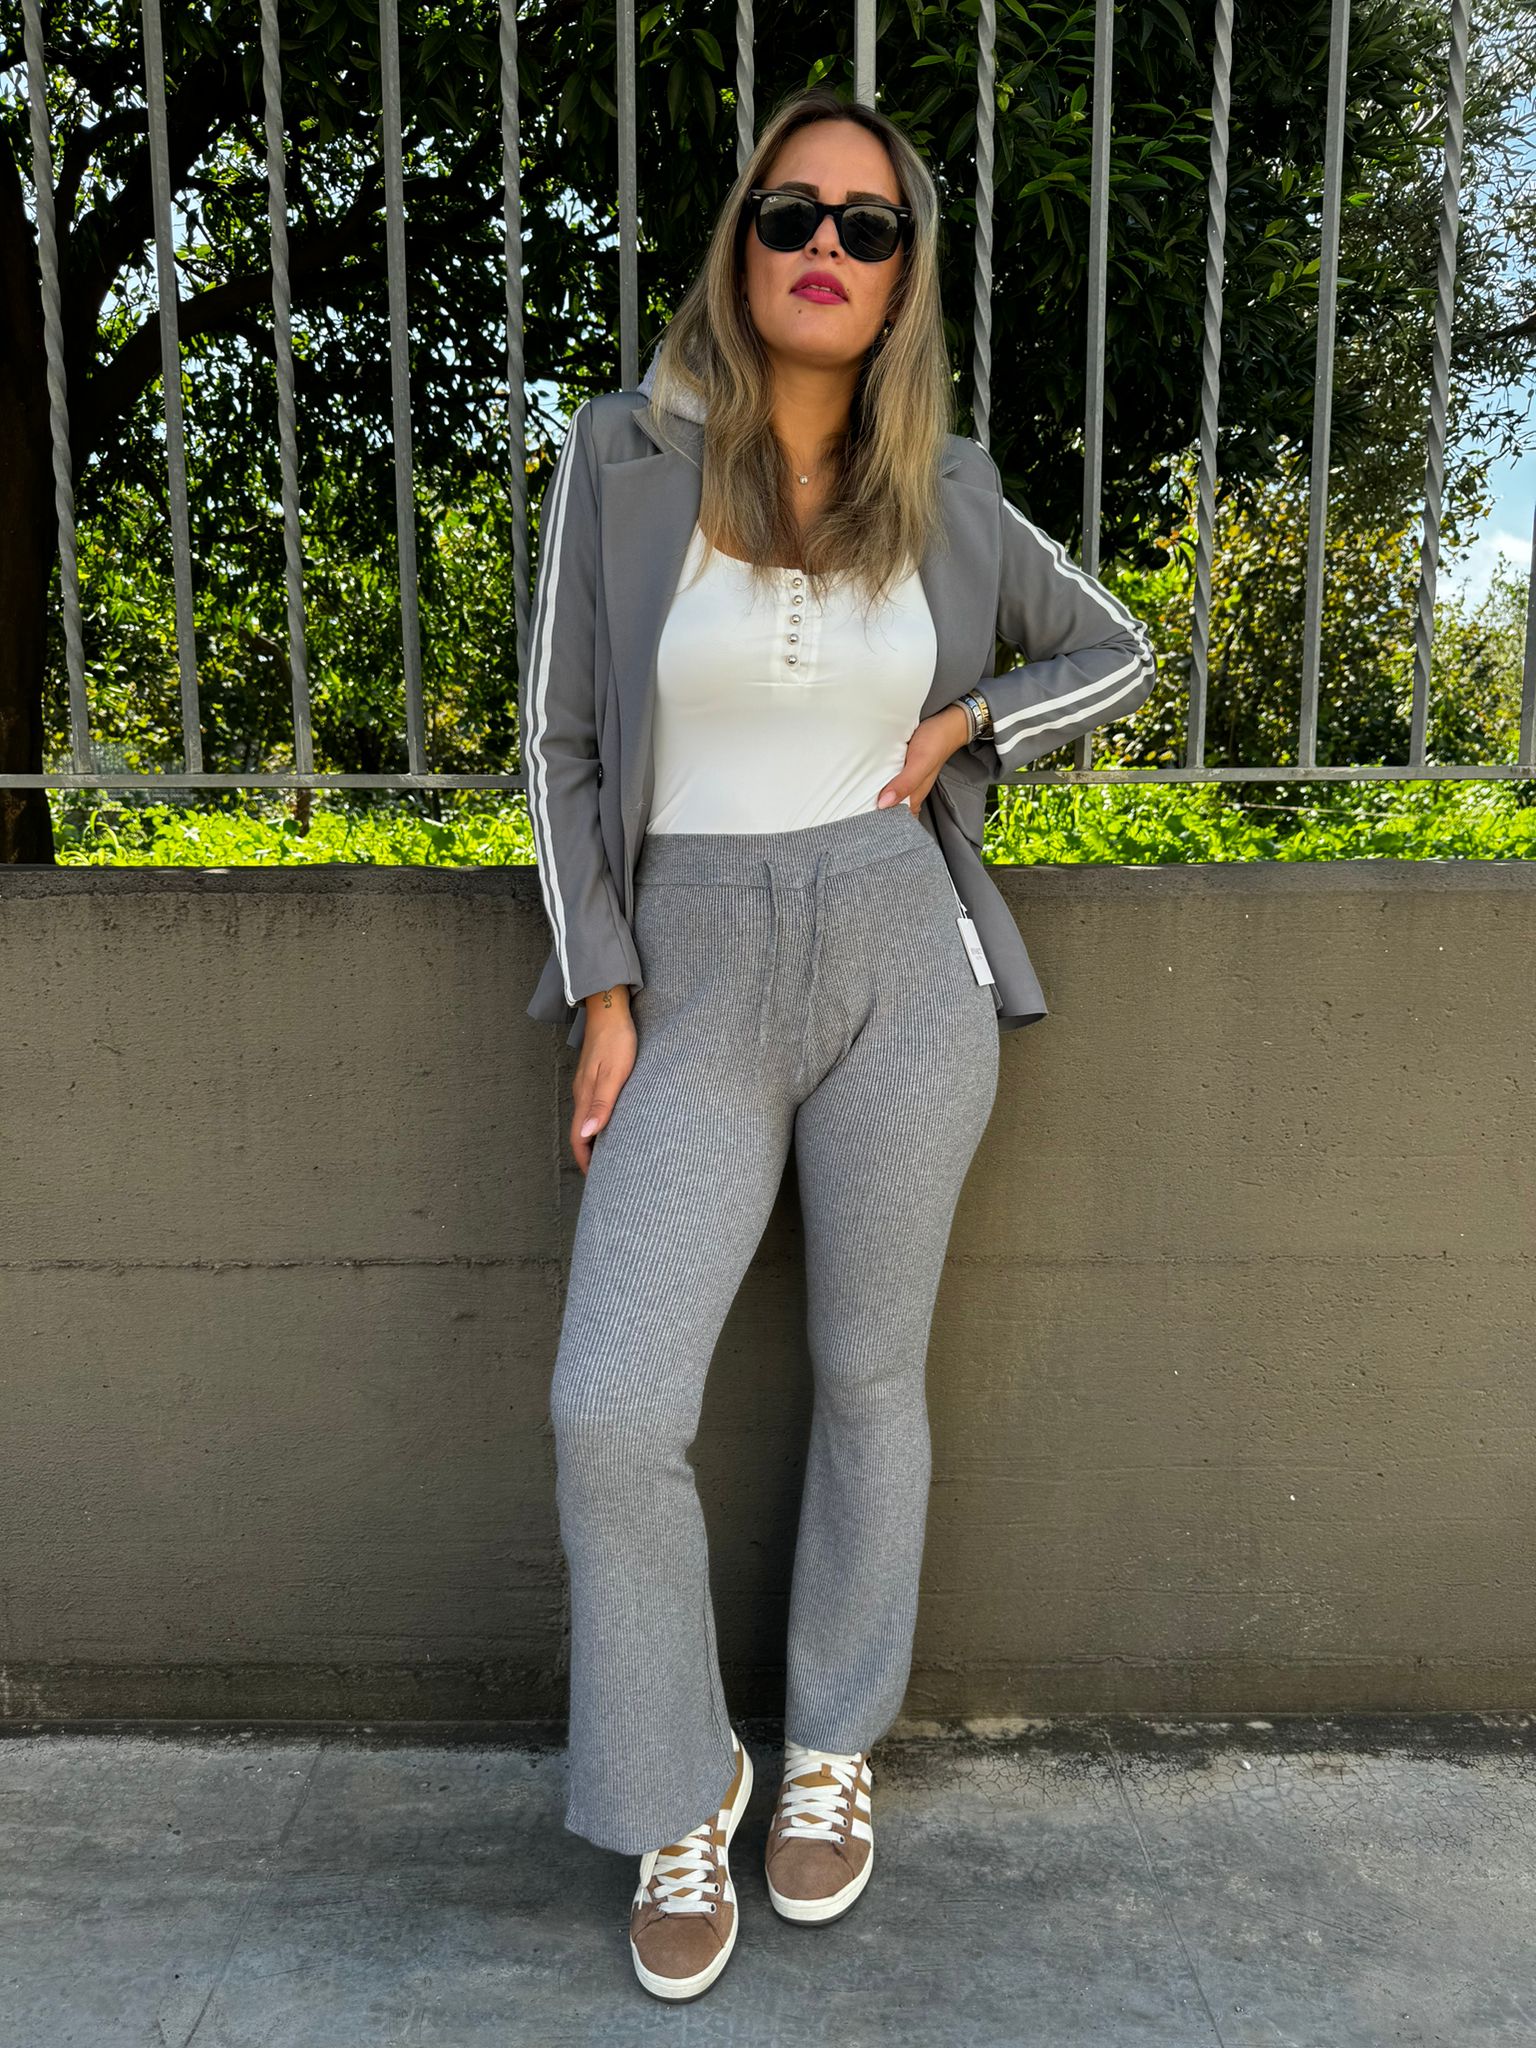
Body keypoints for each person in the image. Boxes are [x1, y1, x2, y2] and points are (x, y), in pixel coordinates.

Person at [518, 82, 1158, 2003]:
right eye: (791, 211)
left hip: (899, 949)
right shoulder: (624, 457)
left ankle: (828, 1749)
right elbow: (558, 747)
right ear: (742, 241)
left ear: (901, 277)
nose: (824, 245)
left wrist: (972, 726)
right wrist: (605, 993)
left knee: (873, 1375)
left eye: (867, 227)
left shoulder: (945, 489)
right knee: (611, 1405)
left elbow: (1119, 649)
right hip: (691, 963)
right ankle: (677, 1786)